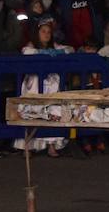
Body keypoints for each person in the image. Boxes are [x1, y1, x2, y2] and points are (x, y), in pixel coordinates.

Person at [13, 19, 74, 157]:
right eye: (43, 32)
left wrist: (57, 53)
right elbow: (27, 52)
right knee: (31, 111)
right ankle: (27, 146)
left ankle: (51, 145)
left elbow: (70, 49)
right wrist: (42, 53)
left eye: (49, 32)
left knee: (53, 111)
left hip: (51, 84)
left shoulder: (55, 46)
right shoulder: (31, 46)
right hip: (34, 84)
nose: (46, 34)